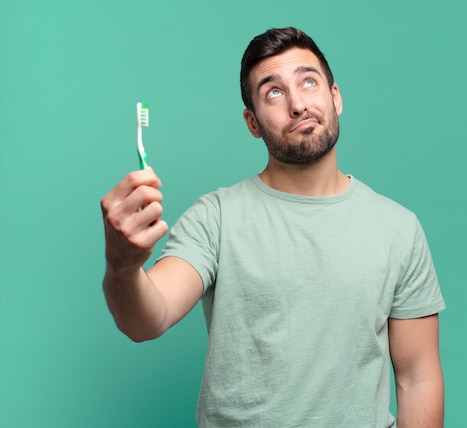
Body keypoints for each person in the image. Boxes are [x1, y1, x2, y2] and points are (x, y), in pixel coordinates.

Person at [101, 27, 445, 427]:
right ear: (252, 122)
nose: (298, 104)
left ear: (335, 97)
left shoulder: (397, 228)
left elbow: (418, 377)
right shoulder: (216, 218)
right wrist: (122, 265)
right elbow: (146, 320)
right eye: (274, 92)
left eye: (309, 82)